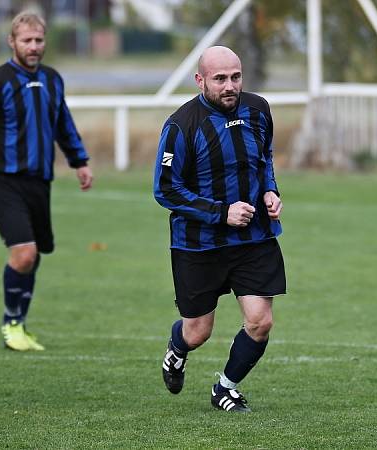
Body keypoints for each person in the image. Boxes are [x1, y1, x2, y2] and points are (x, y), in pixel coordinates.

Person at [154, 46, 286, 413]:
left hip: (254, 237)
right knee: (198, 332)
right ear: (200, 80)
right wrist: (220, 212)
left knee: (260, 322)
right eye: (220, 79)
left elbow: (264, 159)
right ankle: (177, 348)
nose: (230, 86)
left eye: (236, 77)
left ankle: (225, 387)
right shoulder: (182, 125)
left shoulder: (259, 109)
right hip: (199, 244)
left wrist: (271, 192)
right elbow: (165, 189)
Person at [0, 11, 93, 352]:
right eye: (26, 41)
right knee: (24, 254)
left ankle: (19, 323)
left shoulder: (52, 79)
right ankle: (11, 324)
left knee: (35, 256)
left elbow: (62, 121)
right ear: (12, 42)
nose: (33, 47)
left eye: (38, 40)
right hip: (2, 179)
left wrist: (79, 160)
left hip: (40, 181)